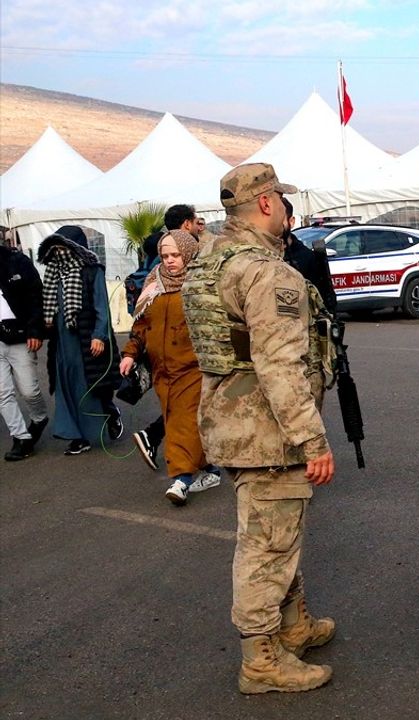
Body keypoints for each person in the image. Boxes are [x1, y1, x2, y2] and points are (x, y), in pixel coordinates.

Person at [183, 163, 336, 693]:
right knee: (267, 545)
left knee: (279, 532)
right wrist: (312, 439)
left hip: (230, 418)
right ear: (267, 203)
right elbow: (279, 364)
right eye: (282, 201)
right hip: (267, 429)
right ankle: (262, 660)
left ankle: (293, 626)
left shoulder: (209, 258)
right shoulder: (267, 272)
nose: (286, 211)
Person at [120, 230, 221, 505]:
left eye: (176, 255)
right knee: (180, 422)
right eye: (165, 256)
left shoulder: (200, 283)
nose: (170, 261)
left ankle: (181, 480)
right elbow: (141, 325)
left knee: (181, 422)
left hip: (193, 368)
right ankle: (210, 470)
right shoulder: (153, 284)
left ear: (188, 253)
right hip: (161, 372)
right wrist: (130, 354)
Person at [37, 226, 122, 455]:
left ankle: (104, 417)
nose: (58, 251)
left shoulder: (91, 270)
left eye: (62, 246)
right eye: (54, 247)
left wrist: (99, 336)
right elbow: (48, 307)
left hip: (85, 338)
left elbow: (101, 306)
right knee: (65, 386)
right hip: (61, 342)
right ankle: (75, 435)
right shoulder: (53, 273)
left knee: (87, 385)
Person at [0, 242, 50, 461]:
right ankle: (21, 437)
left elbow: (35, 297)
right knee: (3, 394)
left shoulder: (17, 261)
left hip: (20, 336)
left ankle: (39, 418)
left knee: (29, 390)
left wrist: (35, 331)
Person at [280, 198, 338, 316]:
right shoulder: (260, 253)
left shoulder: (306, 257)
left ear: (291, 222)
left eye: (279, 220)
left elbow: (323, 301)